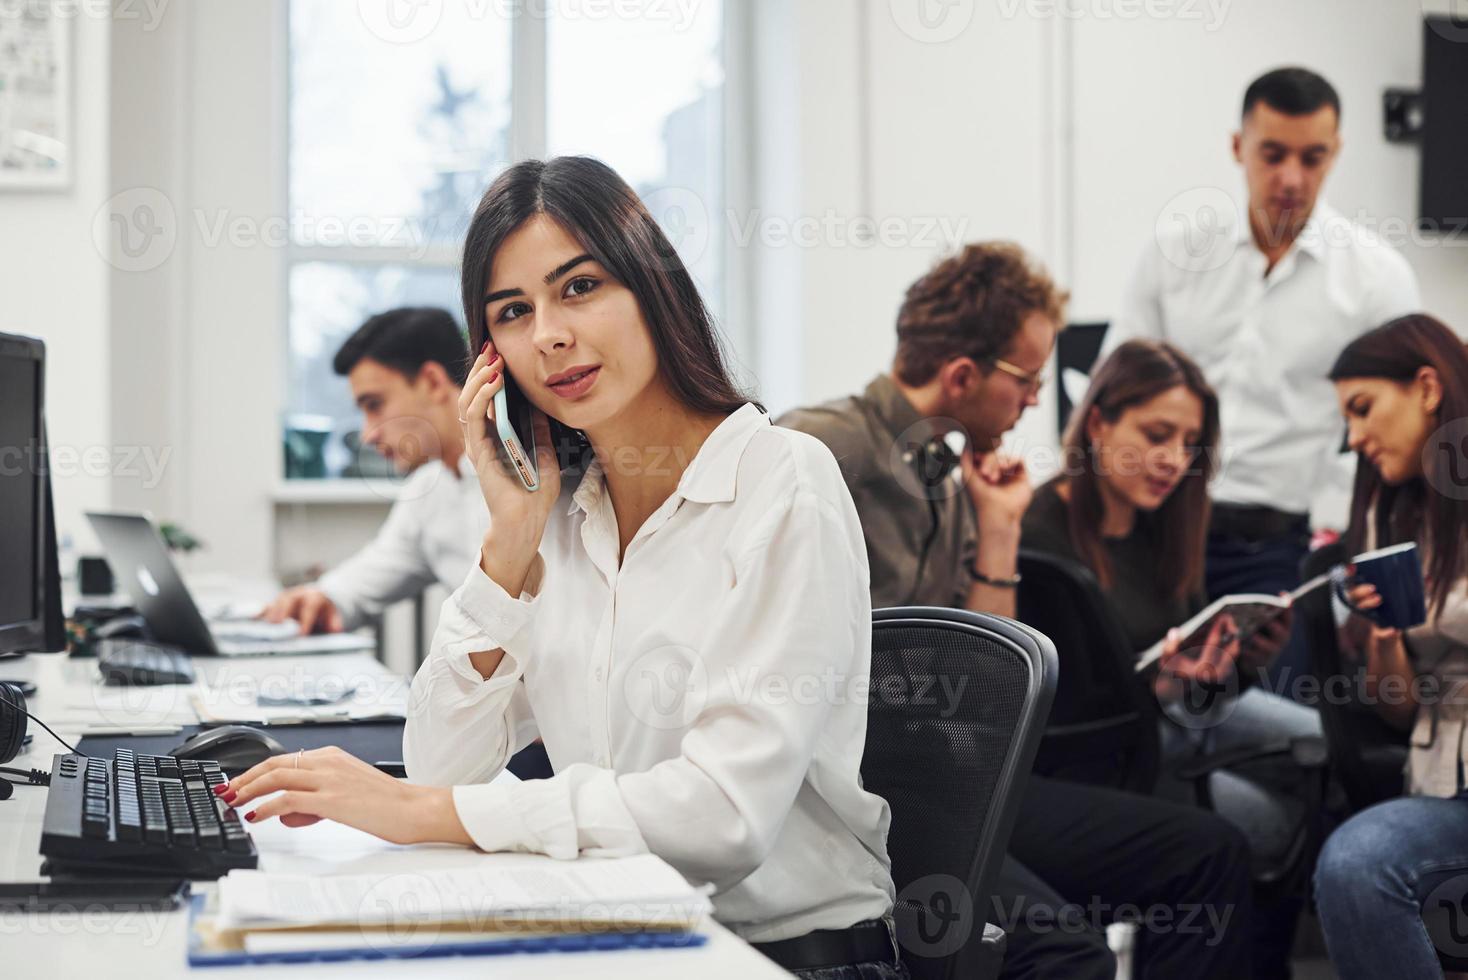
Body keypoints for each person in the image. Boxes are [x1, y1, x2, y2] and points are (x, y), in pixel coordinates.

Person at [220, 157, 905, 979]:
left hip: (786, 957)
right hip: (618, 931)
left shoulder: (782, 480)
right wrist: (508, 545)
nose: (546, 334)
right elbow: (443, 763)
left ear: (653, 290)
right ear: (492, 356)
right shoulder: (560, 515)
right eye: (513, 311)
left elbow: (724, 819)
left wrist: (426, 812)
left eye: (578, 288)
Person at [781, 245, 1252, 980]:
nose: (1036, 400)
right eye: (1029, 381)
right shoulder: (820, 446)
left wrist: (999, 529)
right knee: (1069, 958)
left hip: (941, 779)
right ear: (963, 376)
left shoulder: (952, 476)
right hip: (858, 795)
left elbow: (981, 682)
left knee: (1188, 865)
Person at [1102, 66, 1420, 691]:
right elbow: (1112, 396)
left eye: (1313, 157)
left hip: (1277, 546)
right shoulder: (1174, 252)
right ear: (1237, 147)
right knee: (1135, 705)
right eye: (1272, 154)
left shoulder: (1377, 280)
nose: (1292, 178)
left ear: (1337, 153)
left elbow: (1403, 428)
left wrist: (1344, 531)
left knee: (1277, 727)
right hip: (1158, 532)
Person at [1020, 338, 1320, 978]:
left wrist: (1237, 664)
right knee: (1270, 823)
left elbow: (1201, 696)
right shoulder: (1039, 534)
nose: (1173, 461)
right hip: (1107, 753)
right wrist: (1162, 694)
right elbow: (1059, 719)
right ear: (1097, 421)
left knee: (1325, 743)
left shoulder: (1168, 525)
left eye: (1188, 444)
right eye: (1157, 435)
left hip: (1175, 719)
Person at [1309, 314, 1468, 979]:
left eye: (1364, 409)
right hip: (1449, 782)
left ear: (1428, 387)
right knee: (1356, 862)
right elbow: (1399, 710)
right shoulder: (1386, 516)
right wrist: (1385, 639)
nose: (1355, 437)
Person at [262, 307, 484, 634]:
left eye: (375, 405)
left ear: (433, 382)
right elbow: (365, 579)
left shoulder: (540, 477)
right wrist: (321, 596)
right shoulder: (428, 490)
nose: (368, 434)